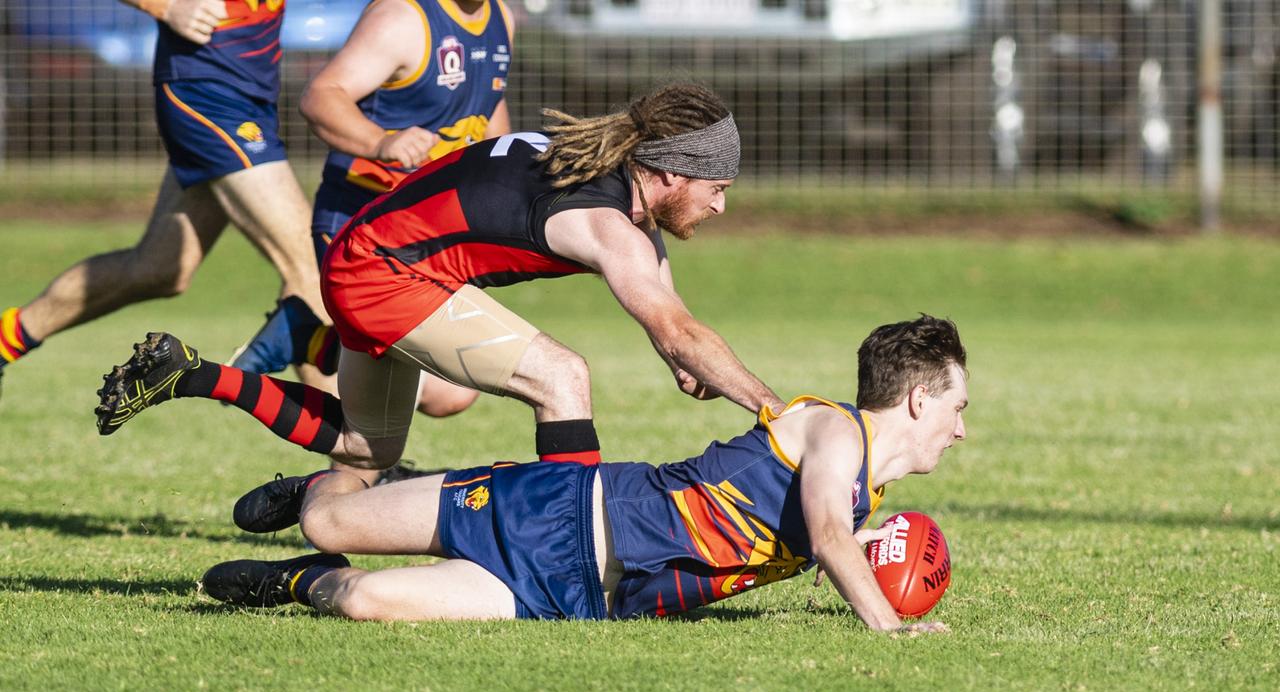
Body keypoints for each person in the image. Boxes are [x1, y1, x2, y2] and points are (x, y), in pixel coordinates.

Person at [95, 83, 783, 471]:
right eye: (715, 188)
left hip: (366, 253)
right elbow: (679, 331)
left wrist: (683, 357)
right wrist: (777, 413)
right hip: (385, 276)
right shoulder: (603, 221)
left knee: (367, 446)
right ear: (667, 172)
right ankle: (569, 552)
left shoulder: (598, 167)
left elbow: (669, 311)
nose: (721, 205)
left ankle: (187, 374)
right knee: (562, 376)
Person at [200, 315, 966, 633]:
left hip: (575, 594)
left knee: (366, 600)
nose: (961, 428)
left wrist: (885, 550)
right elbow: (828, 535)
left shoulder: (865, 485)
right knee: (329, 519)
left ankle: (293, 582)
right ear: (920, 396)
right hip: (560, 509)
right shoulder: (836, 431)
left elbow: (833, 529)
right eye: (956, 407)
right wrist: (888, 628)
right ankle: (313, 489)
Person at [0, 0, 326, 399]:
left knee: (161, 268)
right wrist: (166, 6)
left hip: (246, 93)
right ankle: (356, 459)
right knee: (311, 268)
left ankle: (4, 342)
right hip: (209, 93)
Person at [231, 0, 520, 423]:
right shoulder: (401, 18)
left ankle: (306, 337)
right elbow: (321, 97)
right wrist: (380, 143)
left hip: (435, 230)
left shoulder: (502, 18)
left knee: (448, 393)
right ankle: (354, 482)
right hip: (363, 226)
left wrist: (505, 172)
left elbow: (488, 99)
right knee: (397, 391)